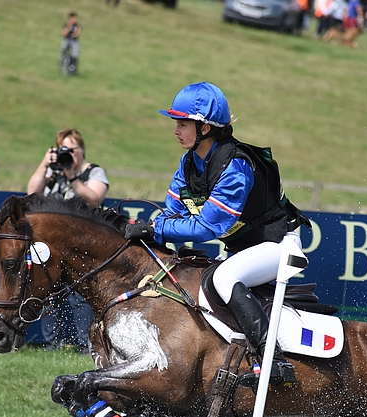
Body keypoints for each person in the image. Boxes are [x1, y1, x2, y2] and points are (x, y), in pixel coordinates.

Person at [123, 82, 308, 388]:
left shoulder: (235, 166)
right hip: (239, 250)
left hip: (276, 245)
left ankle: (274, 360)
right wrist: (146, 227)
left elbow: (209, 228)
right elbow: (172, 214)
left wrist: (155, 227)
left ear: (205, 128)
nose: (175, 130)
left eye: (182, 123)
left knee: (223, 279)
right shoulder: (188, 163)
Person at [27, 128, 109, 352]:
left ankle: (86, 344)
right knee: (49, 293)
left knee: (81, 296)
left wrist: (72, 175)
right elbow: (31, 192)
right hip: (55, 245)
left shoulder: (93, 171)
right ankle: (52, 344)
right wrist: (45, 164)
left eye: (72, 150)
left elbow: (92, 199)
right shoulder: (53, 172)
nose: (68, 155)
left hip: (83, 245)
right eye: (64, 149)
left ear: (81, 151)